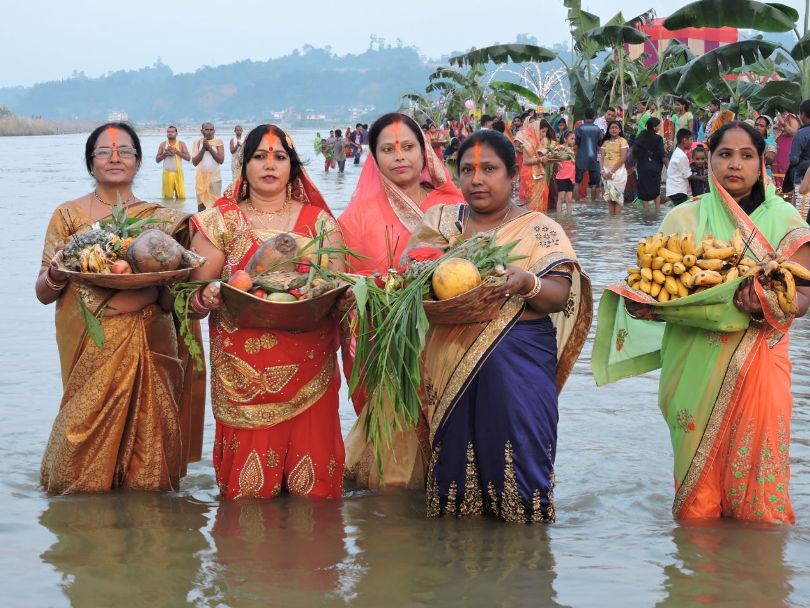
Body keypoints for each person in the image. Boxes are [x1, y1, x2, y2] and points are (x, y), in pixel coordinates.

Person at [594, 121, 810, 524]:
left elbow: (803, 297)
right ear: (708, 159)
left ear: (761, 161)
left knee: (760, 503)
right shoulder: (683, 220)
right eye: (725, 154)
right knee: (698, 512)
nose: (735, 164)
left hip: (760, 360)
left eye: (746, 155)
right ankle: (700, 577)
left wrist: (765, 302)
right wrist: (645, 307)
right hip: (693, 363)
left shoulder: (785, 221)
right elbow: (657, 288)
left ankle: (756, 575)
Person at [406, 130, 592, 522]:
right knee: (453, 500)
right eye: (468, 169)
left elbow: (558, 294)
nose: (477, 179)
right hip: (449, 365)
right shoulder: (440, 224)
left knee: (522, 493)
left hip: (518, 370)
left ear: (513, 175)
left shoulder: (538, 228)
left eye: (489, 169)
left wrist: (528, 283)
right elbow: (412, 280)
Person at [37, 122, 205, 494]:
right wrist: (59, 268)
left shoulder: (162, 222)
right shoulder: (67, 217)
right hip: (90, 347)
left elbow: (172, 300)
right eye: (104, 152)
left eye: (124, 151)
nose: (115, 158)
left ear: (139, 161)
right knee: (77, 464)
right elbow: (44, 292)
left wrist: (163, 283)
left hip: (152, 341)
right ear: (89, 162)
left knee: (150, 470)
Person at [189, 124, 346, 500]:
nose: (269, 165)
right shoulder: (219, 221)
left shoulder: (320, 223)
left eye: (279, 157)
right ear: (243, 165)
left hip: (311, 368)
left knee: (316, 504)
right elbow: (191, 293)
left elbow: (340, 288)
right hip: (242, 377)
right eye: (259, 157)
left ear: (293, 166)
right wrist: (206, 297)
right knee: (247, 504)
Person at [339, 112, 466, 488]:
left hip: (446, 342)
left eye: (409, 147)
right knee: (394, 473)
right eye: (388, 149)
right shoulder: (355, 218)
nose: (400, 156)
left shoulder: (454, 204)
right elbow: (343, 286)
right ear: (374, 158)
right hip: (390, 349)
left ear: (424, 152)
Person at [516, 116, 551, 212]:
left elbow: (545, 155)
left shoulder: (544, 141)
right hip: (529, 174)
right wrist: (540, 159)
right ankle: (530, 221)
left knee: (543, 197)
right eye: (543, 131)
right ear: (536, 130)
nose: (544, 134)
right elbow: (526, 161)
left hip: (541, 173)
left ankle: (541, 221)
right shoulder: (528, 142)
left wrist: (549, 157)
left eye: (545, 132)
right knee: (531, 199)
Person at [631, 117, 667, 208]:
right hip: (655, 168)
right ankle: (657, 210)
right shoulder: (658, 138)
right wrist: (669, 167)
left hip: (642, 167)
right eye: (659, 126)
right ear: (654, 127)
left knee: (643, 191)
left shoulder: (640, 136)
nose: (659, 128)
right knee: (656, 189)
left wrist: (633, 166)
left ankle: (646, 212)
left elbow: (635, 152)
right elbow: (662, 155)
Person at [192, 122, 225, 211]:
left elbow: (221, 160)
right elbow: (194, 162)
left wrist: (209, 148)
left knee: (215, 205)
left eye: (211, 130)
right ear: (202, 131)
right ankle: (199, 224)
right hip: (201, 178)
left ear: (214, 131)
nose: (209, 132)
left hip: (215, 178)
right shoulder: (197, 143)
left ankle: (215, 224)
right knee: (201, 205)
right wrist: (203, 148)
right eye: (206, 130)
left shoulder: (218, 142)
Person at [599, 120, 629, 214]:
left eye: (616, 127)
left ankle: (617, 223)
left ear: (620, 130)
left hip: (618, 173)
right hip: (605, 172)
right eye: (612, 128)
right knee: (610, 198)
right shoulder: (605, 143)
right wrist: (602, 171)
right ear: (609, 130)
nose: (614, 130)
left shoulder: (622, 141)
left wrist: (612, 172)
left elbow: (623, 158)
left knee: (618, 197)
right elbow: (601, 158)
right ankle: (611, 223)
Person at [574, 107, 603, 202]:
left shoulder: (580, 128)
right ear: (594, 117)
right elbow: (599, 144)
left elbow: (576, 143)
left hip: (581, 157)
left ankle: (576, 204)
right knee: (594, 184)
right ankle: (594, 204)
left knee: (577, 182)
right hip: (593, 158)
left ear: (584, 116)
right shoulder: (597, 129)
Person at [156, 125, 190, 200]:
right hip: (167, 173)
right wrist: (165, 154)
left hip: (178, 173)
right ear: (166, 133)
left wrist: (177, 152)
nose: (170, 133)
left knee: (181, 197)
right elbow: (157, 160)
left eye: (172, 132)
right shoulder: (163, 144)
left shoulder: (181, 144)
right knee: (167, 198)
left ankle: (179, 210)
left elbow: (188, 158)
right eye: (168, 132)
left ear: (176, 133)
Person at [666, 128, 694, 205]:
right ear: (684, 140)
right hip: (678, 190)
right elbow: (688, 175)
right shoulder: (682, 156)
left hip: (673, 189)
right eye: (691, 140)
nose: (692, 142)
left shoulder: (677, 152)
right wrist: (702, 178)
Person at [773, 112, 799, 188]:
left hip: (787, 146)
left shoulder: (791, 117)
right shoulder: (776, 113)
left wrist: (783, 123)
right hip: (775, 146)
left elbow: (794, 132)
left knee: (784, 167)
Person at [555, 131, 576, 214]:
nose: (574, 140)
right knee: (561, 199)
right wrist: (558, 162)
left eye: (574, 139)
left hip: (571, 177)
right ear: (565, 139)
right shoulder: (560, 148)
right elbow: (553, 156)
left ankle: (569, 218)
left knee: (569, 200)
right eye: (572, 138)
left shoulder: (571, 149)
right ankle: (559, 218)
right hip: (562, 177)